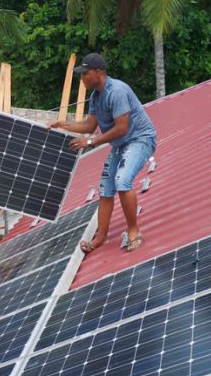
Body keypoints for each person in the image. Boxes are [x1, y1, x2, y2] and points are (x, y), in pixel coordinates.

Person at [48, 53, 156, 253]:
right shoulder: (96, 96)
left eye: (85, 74)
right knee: (106, 188)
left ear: (98, 72)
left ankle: (134, 232)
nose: (82, 79)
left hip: (139, 139)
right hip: (120, 144)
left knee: (122, 181)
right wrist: (61, 124)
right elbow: (90, 125)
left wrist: (91, 142)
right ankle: (100, 238)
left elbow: (121, 128)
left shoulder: (117, 91)